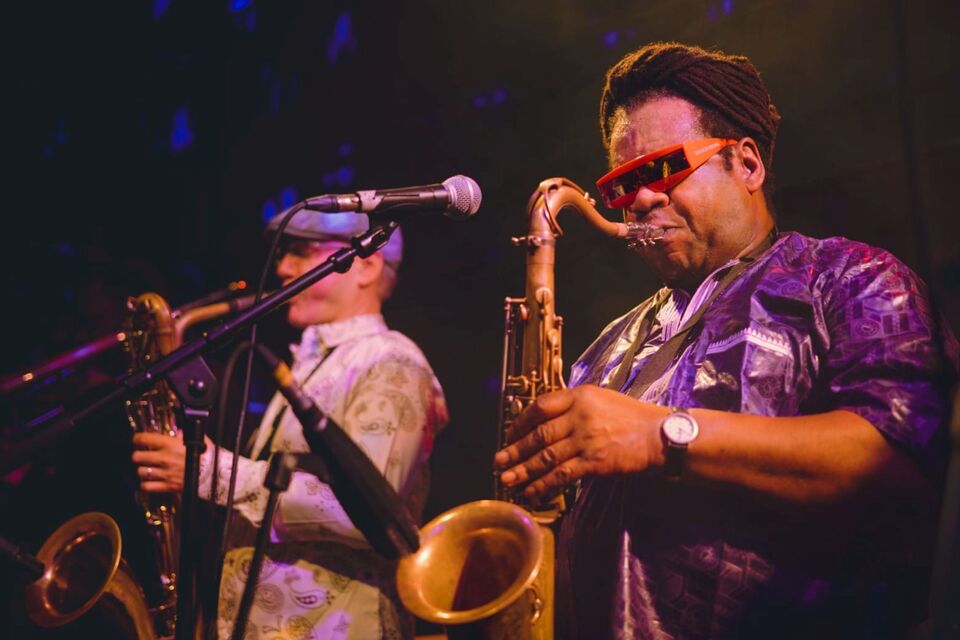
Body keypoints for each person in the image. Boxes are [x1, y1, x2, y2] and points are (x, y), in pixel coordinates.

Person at [495, 42, 959, 639]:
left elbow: (906, 459)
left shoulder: (851, 278)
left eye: (662, 168)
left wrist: (661, 435)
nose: (639, 200)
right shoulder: (606, 348)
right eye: (620, 184)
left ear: (747, 164)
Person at [132, 211, 448, 639]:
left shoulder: (392, 361)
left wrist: (212, 472)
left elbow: (371, 512)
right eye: (285, 254)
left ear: (367, 266)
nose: (282, 268)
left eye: (302, 253)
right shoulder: (311, 368)